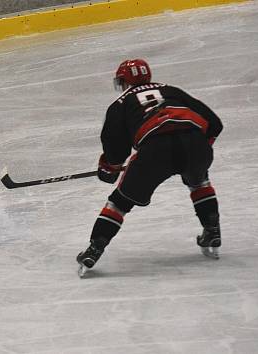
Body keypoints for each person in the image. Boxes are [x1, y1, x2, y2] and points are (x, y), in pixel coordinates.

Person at [77, 59, 223, 276]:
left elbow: (115, 150)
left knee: (119, 202)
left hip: (155, 151)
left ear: (124, 81)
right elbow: (214, 123)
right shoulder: (171, 90)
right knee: (199, 180)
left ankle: (94, 249)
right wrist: (201, 147)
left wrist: (110, 168)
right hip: (195, 143)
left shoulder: (120, 104)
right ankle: (212, 231)